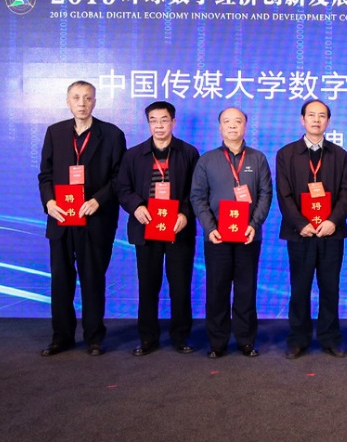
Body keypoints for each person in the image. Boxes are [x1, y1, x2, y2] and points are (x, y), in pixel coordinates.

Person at [37, 80, 126, 357]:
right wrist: (49, 202)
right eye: (76, 97)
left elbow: (119, 178)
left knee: (92, 279)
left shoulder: (112, 134)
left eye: (87, 98)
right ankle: (61, 337)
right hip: (61, 218)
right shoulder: (54, 132)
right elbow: (45, 175)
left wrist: (98, 199)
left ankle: (94, 337)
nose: (82, 103)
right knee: (61, 280)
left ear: (94, 102)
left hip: (95, 218)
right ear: (68, 101)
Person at [115, 100, 199, 356]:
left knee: (180, 285)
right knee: (148, 285)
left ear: (173, 122)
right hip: (147, 227)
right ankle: (147, 338)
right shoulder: (133, 155)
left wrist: (185, 213)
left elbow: (196, 191)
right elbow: (122, 188)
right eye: (154, 120)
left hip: (178, 229)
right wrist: (136, 207)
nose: (159, 125)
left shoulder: (188, 153)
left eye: (164, 120)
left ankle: (180, 336)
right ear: (148, 123)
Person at [189, 106, 273, 358]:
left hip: (248, 236)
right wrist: (210, 228)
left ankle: (246, 340)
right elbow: (197, 197)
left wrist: (253, 225)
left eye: (238, 121)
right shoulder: (207, 160)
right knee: (217, 289)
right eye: (227, 121)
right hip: (218, 237)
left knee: (246, 289)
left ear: (245, 126)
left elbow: (266, 194)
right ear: (220, 127)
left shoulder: (258, 158)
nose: (233, 125)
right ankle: (217, 342)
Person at [275, 99, 347, 359]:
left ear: (328, 121)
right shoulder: (286, 154)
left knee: (330, 288)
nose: (316, 120)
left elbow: (346, 193)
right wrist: (301, 224)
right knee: (299, 288)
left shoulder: (339, 154)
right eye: (311, 115)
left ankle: (330, 338)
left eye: (322, 116)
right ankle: (298, 338)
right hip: (300, 234)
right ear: (302, 119)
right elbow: (284, 194)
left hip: (332, 233)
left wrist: (332, 221)